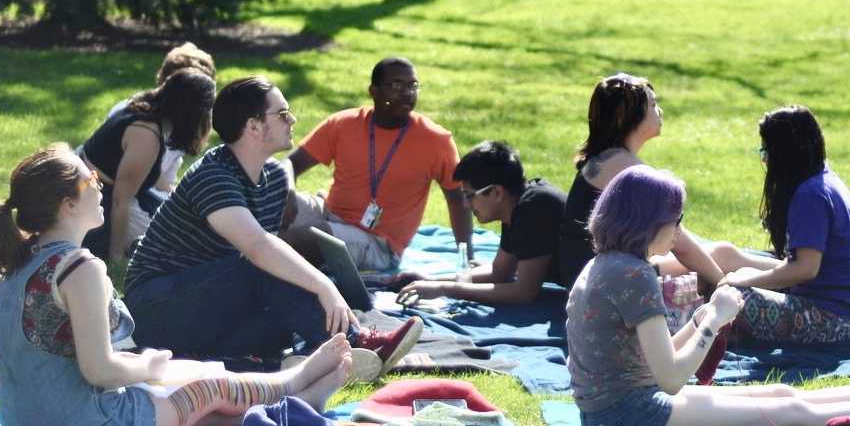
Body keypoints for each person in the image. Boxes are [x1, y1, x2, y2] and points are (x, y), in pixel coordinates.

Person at [0, 143, 355, 426]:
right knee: (208, 387)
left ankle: (299, 399)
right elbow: (100, 371)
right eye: (91, 179)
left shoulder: (21, 260)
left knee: (197, 404)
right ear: (67, 205)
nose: (100, 187)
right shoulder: (80, 269)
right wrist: (148, 366)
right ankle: (295, 380)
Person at [566, 165, 850, 426]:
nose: (677, 232)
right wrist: (715, 321)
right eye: (676, 219)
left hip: (620, 409)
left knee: (783, 393)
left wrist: (702, 318)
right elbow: (671, 377)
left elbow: (653, 358)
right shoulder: (632, 274)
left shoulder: (607, 264)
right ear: (647, 222)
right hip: (630, 421)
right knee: (792, 411)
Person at [125, 76, 421, 376]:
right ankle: (359, 344)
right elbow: (258, 248)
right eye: (282, 114)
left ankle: (318, 356)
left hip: (209, 302)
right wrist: (324, 285)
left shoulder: (275, 178)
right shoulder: (212, 177)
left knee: (279, 320)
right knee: (259, 265)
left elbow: (273, 264)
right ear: (253, 127)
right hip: (156, 307)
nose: (292, 119)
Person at [557, 74, 761, 300]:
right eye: (653, 104)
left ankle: (793, 273)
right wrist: (724, 284)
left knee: (717, 259)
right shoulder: (625, 167)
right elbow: (680, 244)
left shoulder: (606, 158)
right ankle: (796, 275)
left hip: (592, 274)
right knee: (723, 256)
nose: (660, 110)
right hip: (602, 283)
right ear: (626, 115)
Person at [287, 57, 471, 274]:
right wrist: (288, 192)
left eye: (412, 86)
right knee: (270, 201)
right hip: (329, 211)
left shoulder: (436, 140)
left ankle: (256, 258)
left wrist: (467, 260)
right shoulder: (344, 123)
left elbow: (458, 201)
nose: (407, 93)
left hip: (378, 243)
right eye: (395, 85)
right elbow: (290, 163)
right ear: (373, 91)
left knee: (309, 237)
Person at [719, 106, 850, 344]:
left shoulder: (810, 195)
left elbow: (805, 269)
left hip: (836, 318)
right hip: (849, 310)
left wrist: (744, 282)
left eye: (766, 151)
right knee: (738, 276)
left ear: (784, 153)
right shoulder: (826, 180)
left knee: (732, 297)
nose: (764, 159)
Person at [391, 141, 568, 306]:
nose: (466, 205)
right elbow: (499, 272)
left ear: (497, 192)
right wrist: (431, 281)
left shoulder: (535, 207)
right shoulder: (515, 204)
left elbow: (523, 292)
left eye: (469, 196)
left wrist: (446, 289)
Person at [87, 43, 217, 251]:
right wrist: (117, 256)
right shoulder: (147, 137)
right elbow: (121, 201)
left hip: (116, 193)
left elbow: (159, 182)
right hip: (96, 198)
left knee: (186, 224)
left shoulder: (149, 112)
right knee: (177, 242)